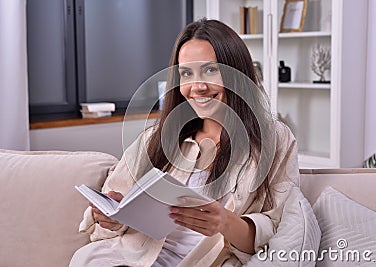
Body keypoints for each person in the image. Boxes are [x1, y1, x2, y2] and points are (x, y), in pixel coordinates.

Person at [70, 18, 300, 267]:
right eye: (187, 73)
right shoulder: (155, 138)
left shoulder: (275, 140)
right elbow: (113, 206)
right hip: (138, 258)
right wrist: (112, 218)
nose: (197, 87)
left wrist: (225, 223)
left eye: (211, 70)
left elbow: (280, 229)